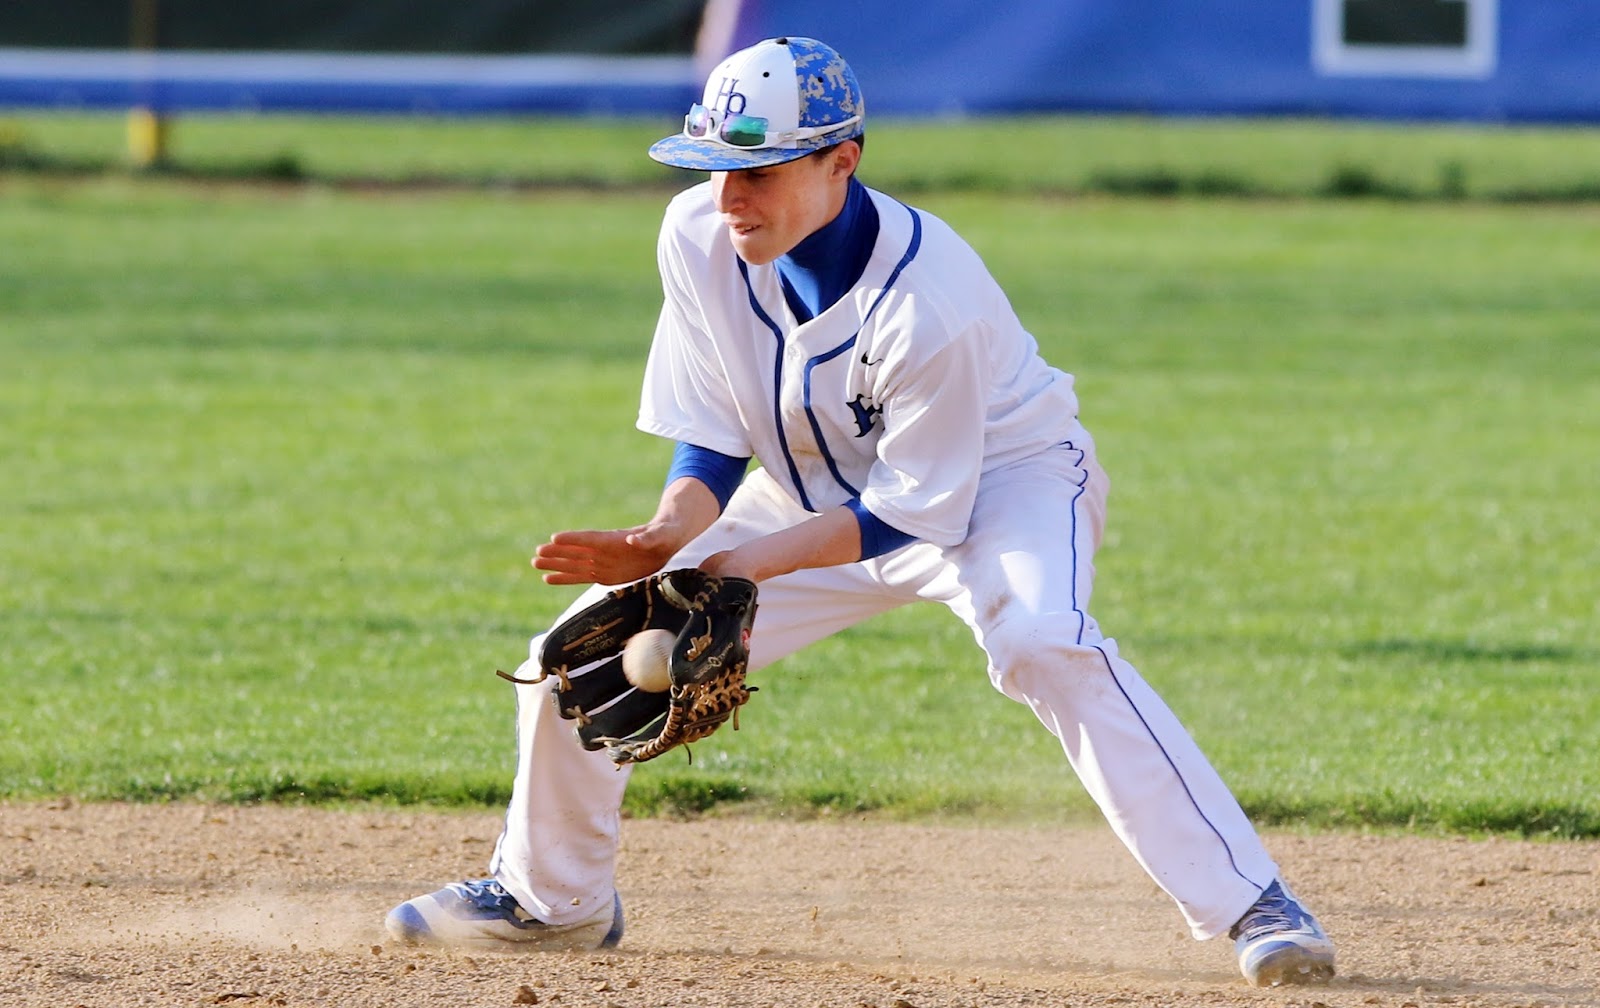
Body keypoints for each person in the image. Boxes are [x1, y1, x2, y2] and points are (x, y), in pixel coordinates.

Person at [385, 36, 1336, 987]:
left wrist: (744, 567)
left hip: (1006, 484)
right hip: (806, 487)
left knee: (1045, 642)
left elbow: (912, 513)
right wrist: (671, 533)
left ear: (842, 161)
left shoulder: (931, 298)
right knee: (581, 653)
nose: (729, 197)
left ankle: (1255, 901)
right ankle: (552, 902)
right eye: (716, 166)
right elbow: (716, 428)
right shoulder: (696, 236)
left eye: (757, 170)